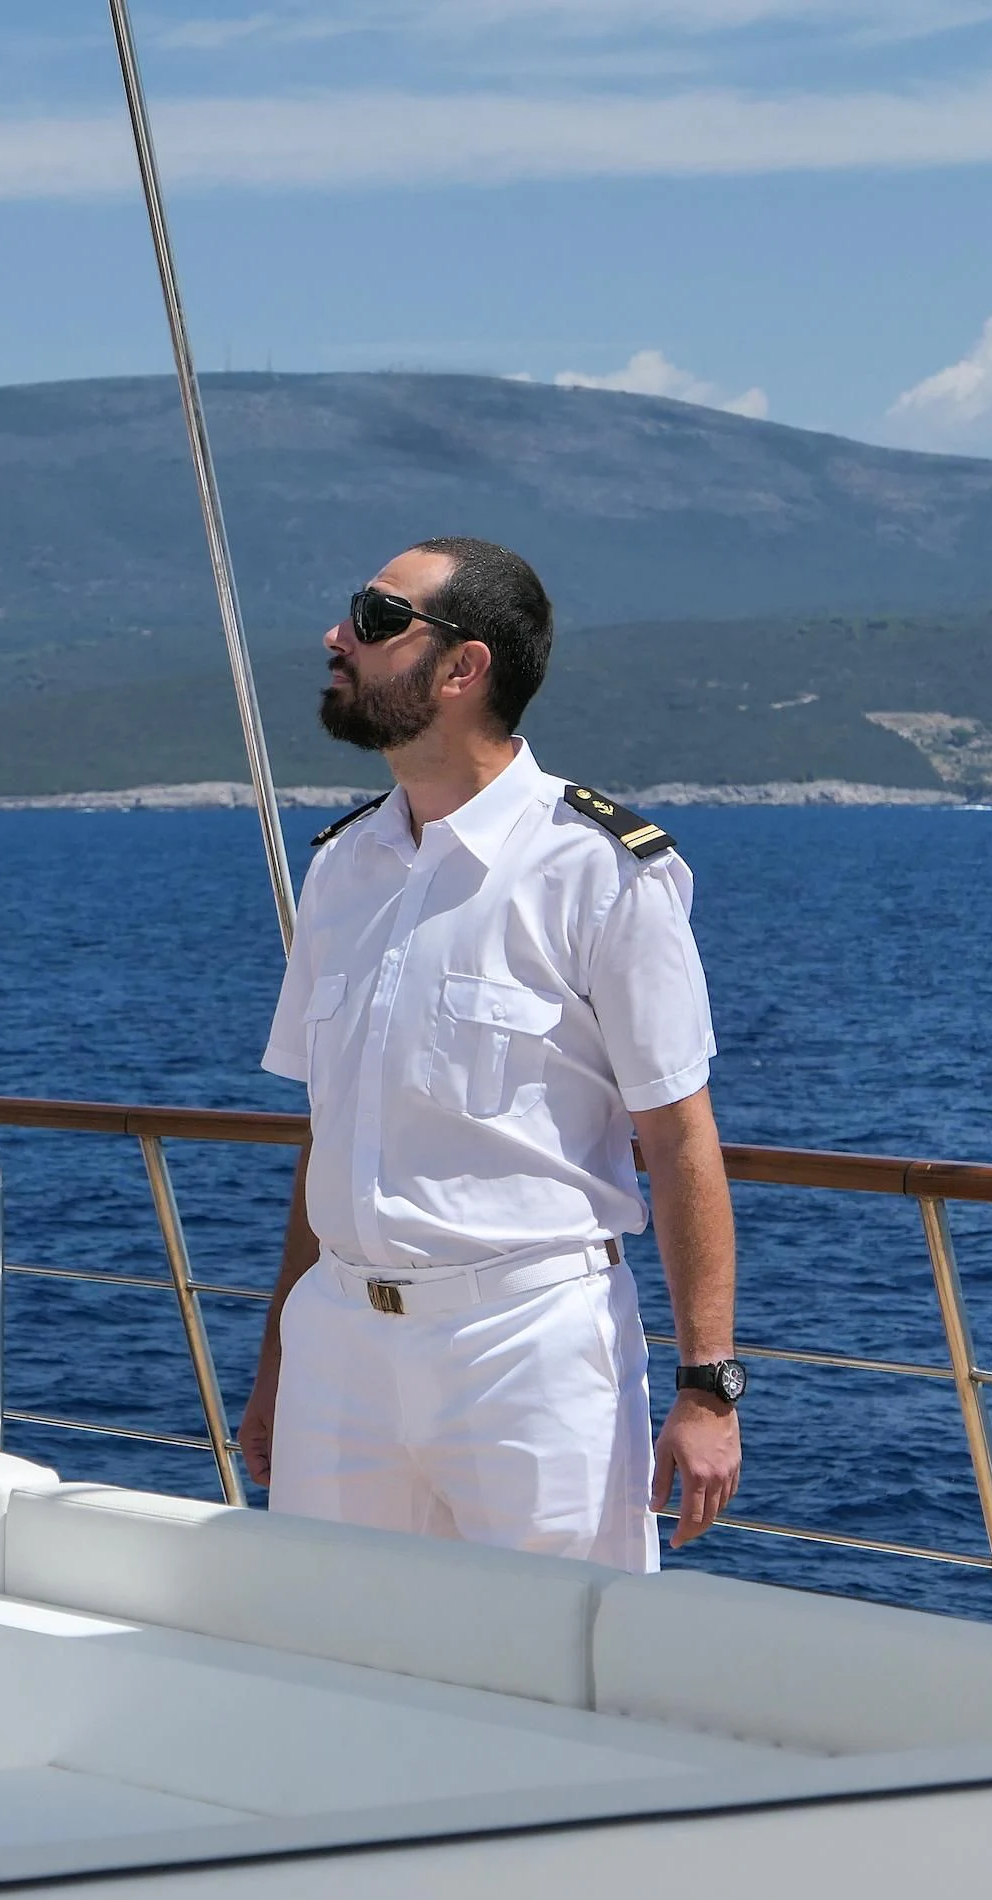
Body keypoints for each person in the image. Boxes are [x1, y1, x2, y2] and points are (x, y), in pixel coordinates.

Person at [241, 537, 741, 1572]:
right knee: (330, 1655)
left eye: (377, 621)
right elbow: (329, 1137)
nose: (339, 637)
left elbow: (680, 1134)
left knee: (553, 1670)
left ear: (463, 668)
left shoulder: (599, 868)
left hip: (528, 1345)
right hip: (341, 1341)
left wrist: (708, 1386)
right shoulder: (342, 868)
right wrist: (281, 1358)